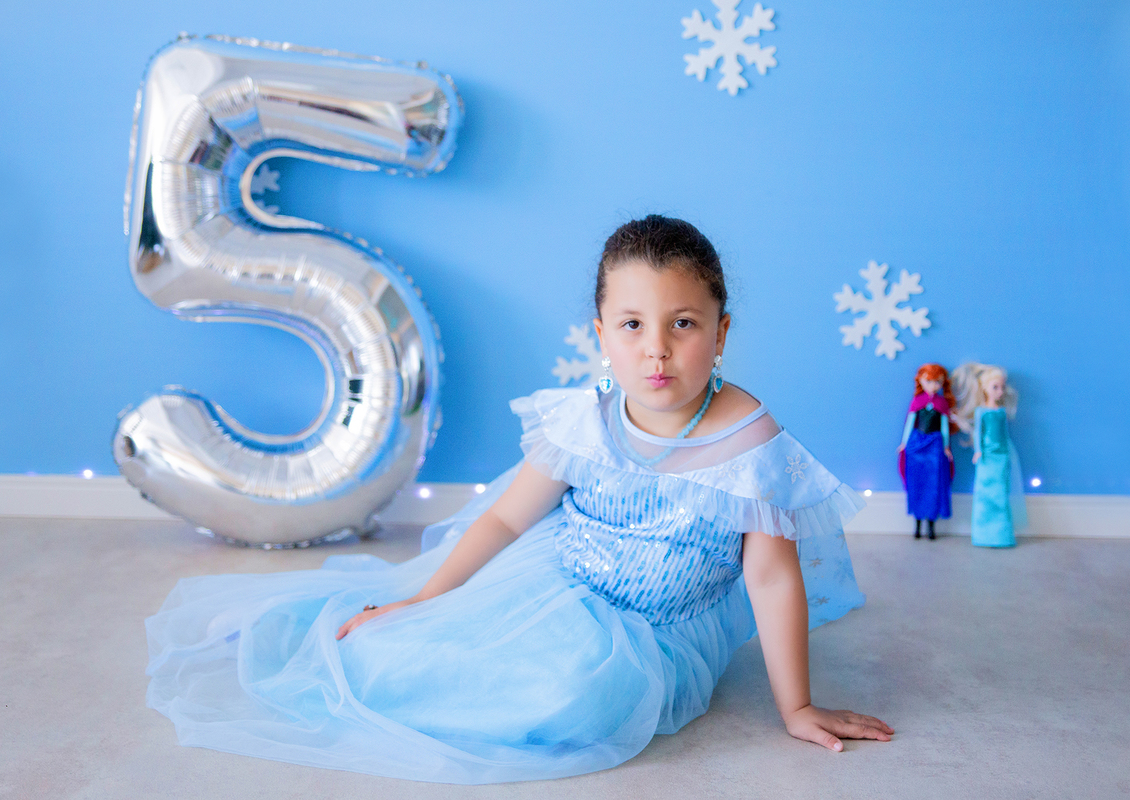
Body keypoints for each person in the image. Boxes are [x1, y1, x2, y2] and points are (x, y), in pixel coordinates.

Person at [146, 215, 892, 784]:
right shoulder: (587, 418)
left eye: (683, 325)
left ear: (722, 332)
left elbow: (770, 576)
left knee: (578, 696)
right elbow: (506, 516)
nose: (656, 351)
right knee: (406, 647)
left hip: (655, 626)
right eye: (632, 326)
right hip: (558, 577)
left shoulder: (749, 442)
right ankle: (296, 628)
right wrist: (427, 599)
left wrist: (796, 706)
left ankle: (474, 672)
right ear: (601, 333)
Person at [952, 362, 1026, 547]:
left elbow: (1005, 434)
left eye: (1001, 387)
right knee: (985, 494)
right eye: (995, 387)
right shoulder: (981, 411)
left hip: (1001, 454)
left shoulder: (1001, 411)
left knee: (1001, 493)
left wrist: (1008, 452)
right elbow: (978, 432)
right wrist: (978, 451)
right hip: (986, 455)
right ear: (985, 388)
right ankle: (984, 534)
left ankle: (1002, 534)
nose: (1000, 391)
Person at [897, 364, 956, 540]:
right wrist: (904, 443)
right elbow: (910, 422)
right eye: (928, 381)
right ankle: (917, 525)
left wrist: (946, 446)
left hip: (935, 445)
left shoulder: (942, 403)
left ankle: (931, 526)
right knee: (917, 482)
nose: (933, 386)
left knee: (934, 485)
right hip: (917, 445)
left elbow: (944, 427)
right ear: (921, 381)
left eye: (937, 382)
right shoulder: (917, 401)